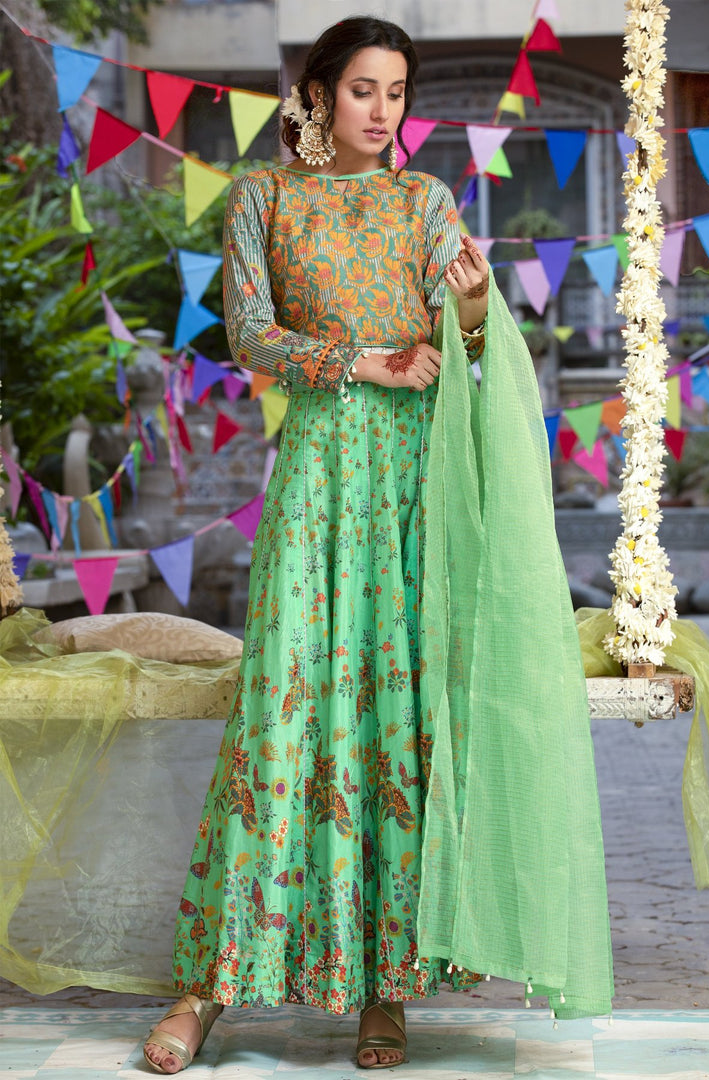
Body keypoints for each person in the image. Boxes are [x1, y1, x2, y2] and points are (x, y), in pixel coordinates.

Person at [144, 15, 613, 1074]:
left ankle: (382, 987)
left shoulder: (426, 202)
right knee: (285, 710)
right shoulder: (265, 199)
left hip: (413, 483)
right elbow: (248, 335)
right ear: (317, 94)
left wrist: (476, 305)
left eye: (396, 93)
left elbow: (473, 344)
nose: (382, 111)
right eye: (363, 89)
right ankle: (208, 985)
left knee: (396, 717)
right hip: (319, 477)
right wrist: (363, 360)